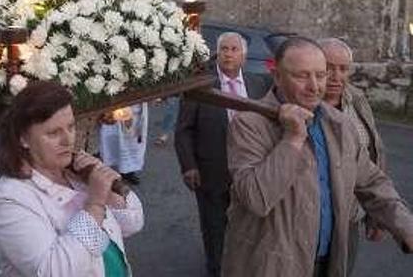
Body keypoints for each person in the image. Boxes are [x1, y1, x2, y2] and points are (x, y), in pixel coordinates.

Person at [222, 37, 413, 277]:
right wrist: (292, 139)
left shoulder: (339, 124)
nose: (315, 86)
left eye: (320, 75)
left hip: (327, 263)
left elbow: (373, 183)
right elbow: (256, 198)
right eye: (302, 76)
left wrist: (406, 227)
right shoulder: (248, 125)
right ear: (277, 76)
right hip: (269, 266)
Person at [0, 80, 144, 277]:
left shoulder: (77, 174)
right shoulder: (9, 200)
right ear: (23, 138)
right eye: (53, 133)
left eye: (71, 127)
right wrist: (95, 204)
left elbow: (133, 222)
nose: (67, 139)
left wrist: (108, 190)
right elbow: (53, 271)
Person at [174, 31, 272, 277]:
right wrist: (189, 166)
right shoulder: (200, 87)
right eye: (224, 49)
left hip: (251, 172)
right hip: (211, 173)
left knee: (248, 227)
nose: (228, 54)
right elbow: (183, 131)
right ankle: (216, 270)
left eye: (233, 49)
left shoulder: (258, 84)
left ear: (244, 57)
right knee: (215, 228)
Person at [319, 37, 388, 273]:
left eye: (343, 69)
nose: (336, 76)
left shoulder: (356, 99)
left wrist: (377, 215)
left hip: (350, 217)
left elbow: (374, 156)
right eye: (328, 68)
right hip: (311, 219)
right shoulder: (301, 102)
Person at [99, 102, 148, 184]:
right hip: (115, 107)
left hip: (135, 106)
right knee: (111, 140)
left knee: (132, 143)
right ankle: (109, 171)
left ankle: (128, 171)